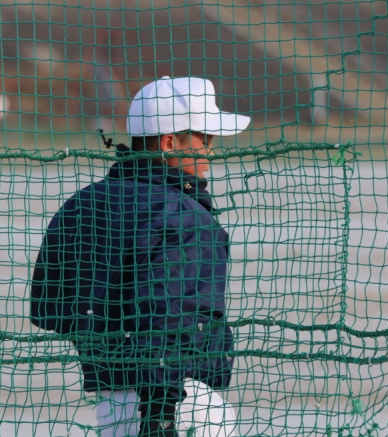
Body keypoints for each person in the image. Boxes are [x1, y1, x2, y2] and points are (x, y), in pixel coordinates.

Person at [30, 76, 250, 437]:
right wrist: (160, 414)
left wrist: (102, 339)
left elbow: (49, 308)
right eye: (205, 139)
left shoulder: (81, 205)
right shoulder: (184, 216)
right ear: (169, 143)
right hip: (180, 401)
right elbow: (171, 321)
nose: (210, 151)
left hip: (111, 403)